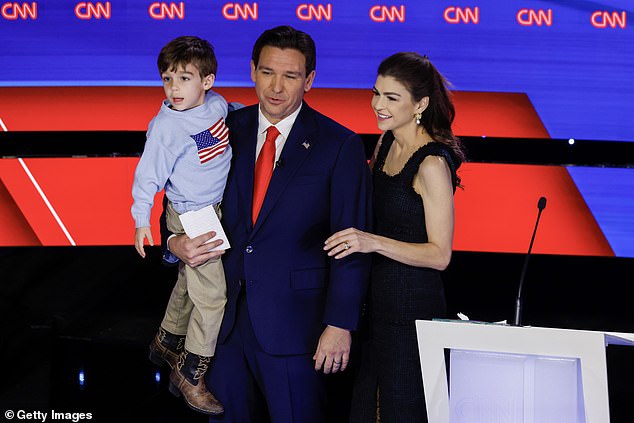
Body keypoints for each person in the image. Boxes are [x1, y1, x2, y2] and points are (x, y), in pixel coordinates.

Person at [165, 26, 372, 422]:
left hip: (297, 327)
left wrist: (340, 323)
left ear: (309, 80)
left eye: (290, 76)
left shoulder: (338, 144)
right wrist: (174, 242)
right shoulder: (222, 129)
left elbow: (351, 242)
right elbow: (181, 195)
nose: (276, 87)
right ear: (252, 71)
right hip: (221, 328)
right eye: (267, 72)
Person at [324, 52, 465, 422]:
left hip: (411, 313)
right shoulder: (384, 143)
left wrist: (372, 241)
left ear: (420, 104)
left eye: (391, 97)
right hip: (375, 308)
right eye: (376, 93)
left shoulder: (432, 163)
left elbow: (440, 254)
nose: (378, 105)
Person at [131, 35, 230, 415]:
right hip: (192, 214)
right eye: (167, 79)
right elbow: (147, 178)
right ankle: (190, 371)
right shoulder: (165, 127)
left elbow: (220, 129)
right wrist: (142, 221)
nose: (174, 88)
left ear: (207, 81)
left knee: (191, 283)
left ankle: (166, 341)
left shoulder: (217, 106)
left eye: (184, 78)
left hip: (213, 209)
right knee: (212, 295)